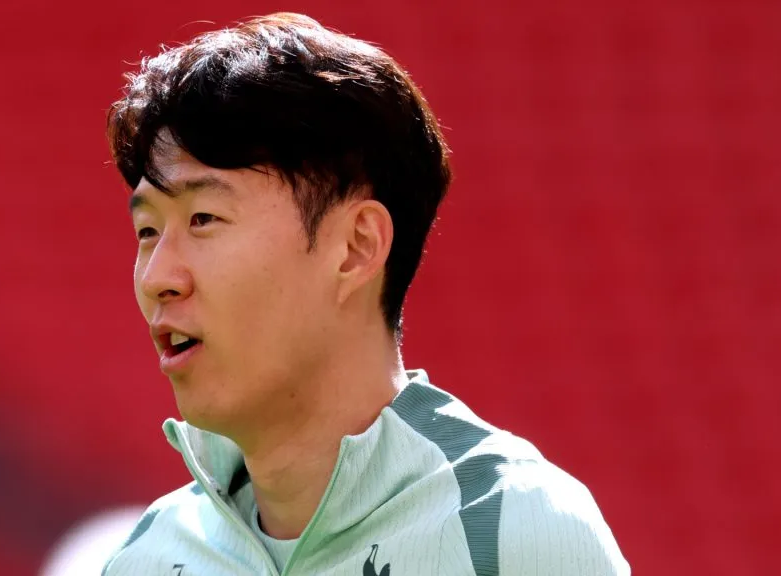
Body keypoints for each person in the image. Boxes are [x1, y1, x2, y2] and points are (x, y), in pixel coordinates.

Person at [103, 12, 629, 576]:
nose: (159, 277)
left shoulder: (513, 533)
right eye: (148, 232)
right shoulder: (146, 559)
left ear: (355, 247)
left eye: (204, 218)